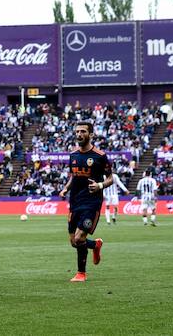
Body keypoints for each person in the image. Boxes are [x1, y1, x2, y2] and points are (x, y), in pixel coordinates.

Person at [59, 121, 111, 283]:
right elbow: (73, 176)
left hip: (91, 201)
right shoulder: (73, 155)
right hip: (75, 201)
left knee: (80, 237)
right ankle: (95, 245)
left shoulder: (100, 156)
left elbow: (111, 178)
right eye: (77, 132)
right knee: (74, 242)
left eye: (83, 131)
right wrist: (66, 189)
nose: (79, 134)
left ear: (91, 135)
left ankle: (81, 273)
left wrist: (100, 185)